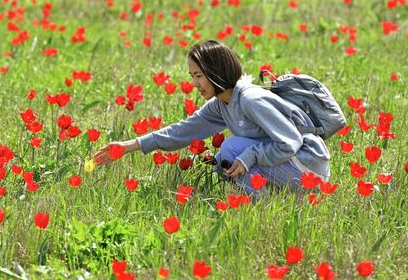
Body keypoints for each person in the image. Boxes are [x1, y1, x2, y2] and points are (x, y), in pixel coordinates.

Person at [92, 40, 330, 198]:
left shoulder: (250, 99)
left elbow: (290, 142)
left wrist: (250, 155)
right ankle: (270, 204)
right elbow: (182, 131)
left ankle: (265, 207)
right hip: (291, 167)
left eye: (199, 76)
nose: (194, 83)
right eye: (192, 76)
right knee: (220, 163)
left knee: (231, 148)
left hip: (308, 166)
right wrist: (128, 146)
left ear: (216, 73)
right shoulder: (221, 104)